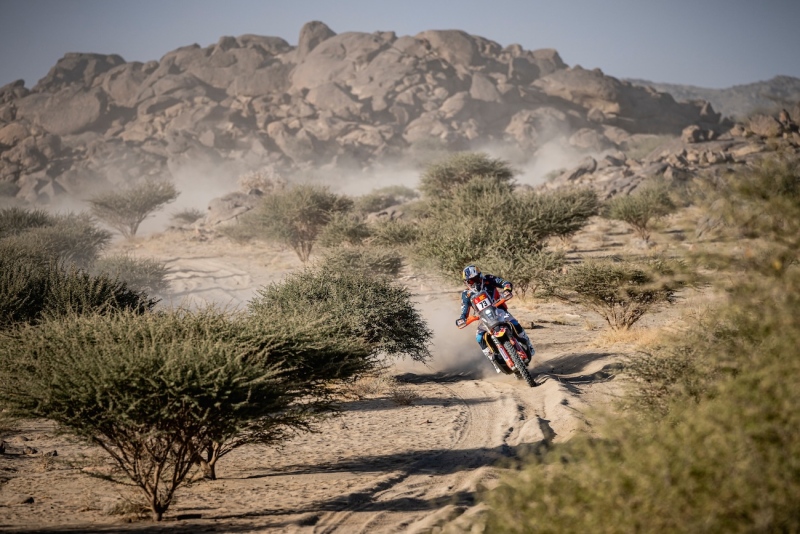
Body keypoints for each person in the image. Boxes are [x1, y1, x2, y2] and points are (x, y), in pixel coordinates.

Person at [456, 265, 534, 372]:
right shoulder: (466, 294)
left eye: (475, 279)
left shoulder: (489, 279)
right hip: (483, 318)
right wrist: (462, 318)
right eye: (470, 281)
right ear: (466, 282)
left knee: (514, 323)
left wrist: (506, 289)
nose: (474, 283)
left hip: (499, 310)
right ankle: (493, 361)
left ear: (480, 276)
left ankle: (529, 345)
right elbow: (464, 309)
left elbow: (504, 283)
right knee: (479, 338)